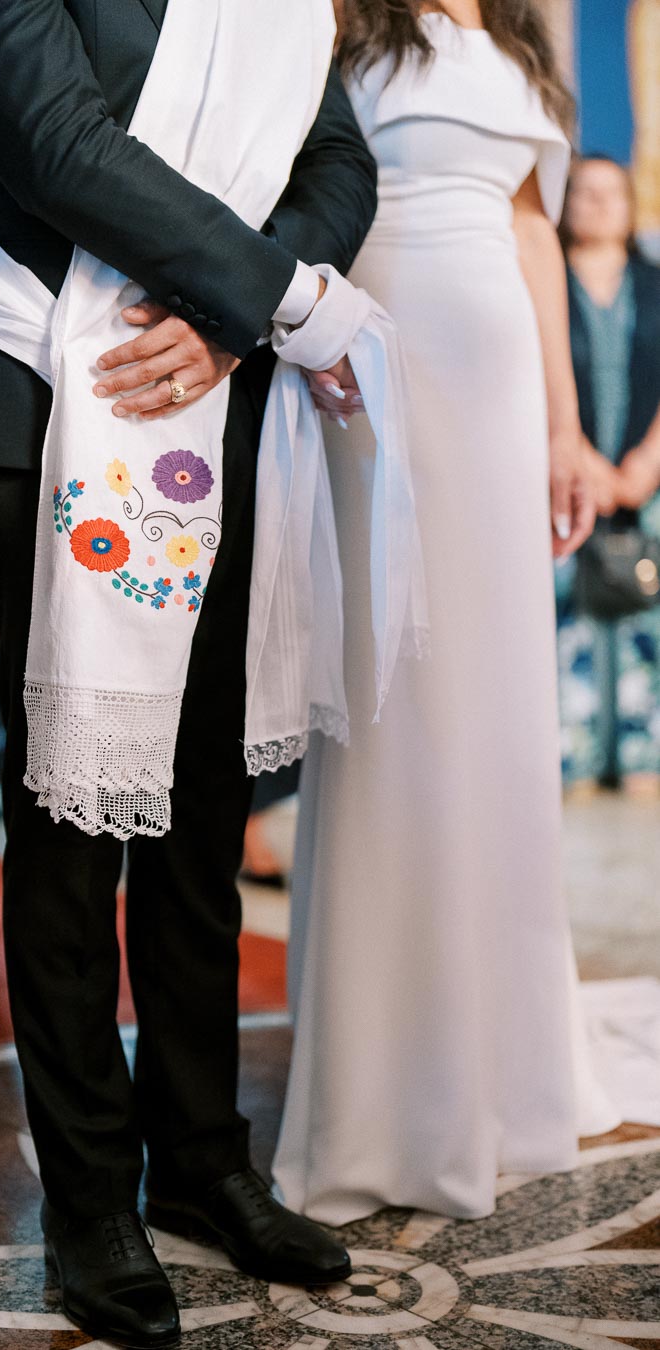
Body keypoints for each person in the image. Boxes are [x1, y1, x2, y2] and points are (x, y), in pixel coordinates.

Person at [0, 0, 377, 1344]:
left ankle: (206, 1158)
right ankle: (90, 1200)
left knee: (203, 818)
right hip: (53, 395)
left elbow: (339, 157)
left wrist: (233, 328)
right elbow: (59, 147)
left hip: (215, 394)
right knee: (73, 819)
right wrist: (275, 297)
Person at [275, 0, 619, 1227]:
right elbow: (299, 189)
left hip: (504, 390)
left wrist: (567, 426)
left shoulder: (525, 43)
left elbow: (533, 238)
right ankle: (385, 1090)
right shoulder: (341, 25)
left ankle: (508, 1064)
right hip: (379, 369)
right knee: (395, 704)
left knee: (497, 711)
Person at [561, 155, 660, 786]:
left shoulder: (655, 283)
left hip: (648, 479)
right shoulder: (541, 284)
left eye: (610, 194)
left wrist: (647, 461)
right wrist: (582, 459)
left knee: (646, 607)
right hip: (565, 474)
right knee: (565, 613)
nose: (598, 205)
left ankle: (643, 756)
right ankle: (569, 757)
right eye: (584, 193)